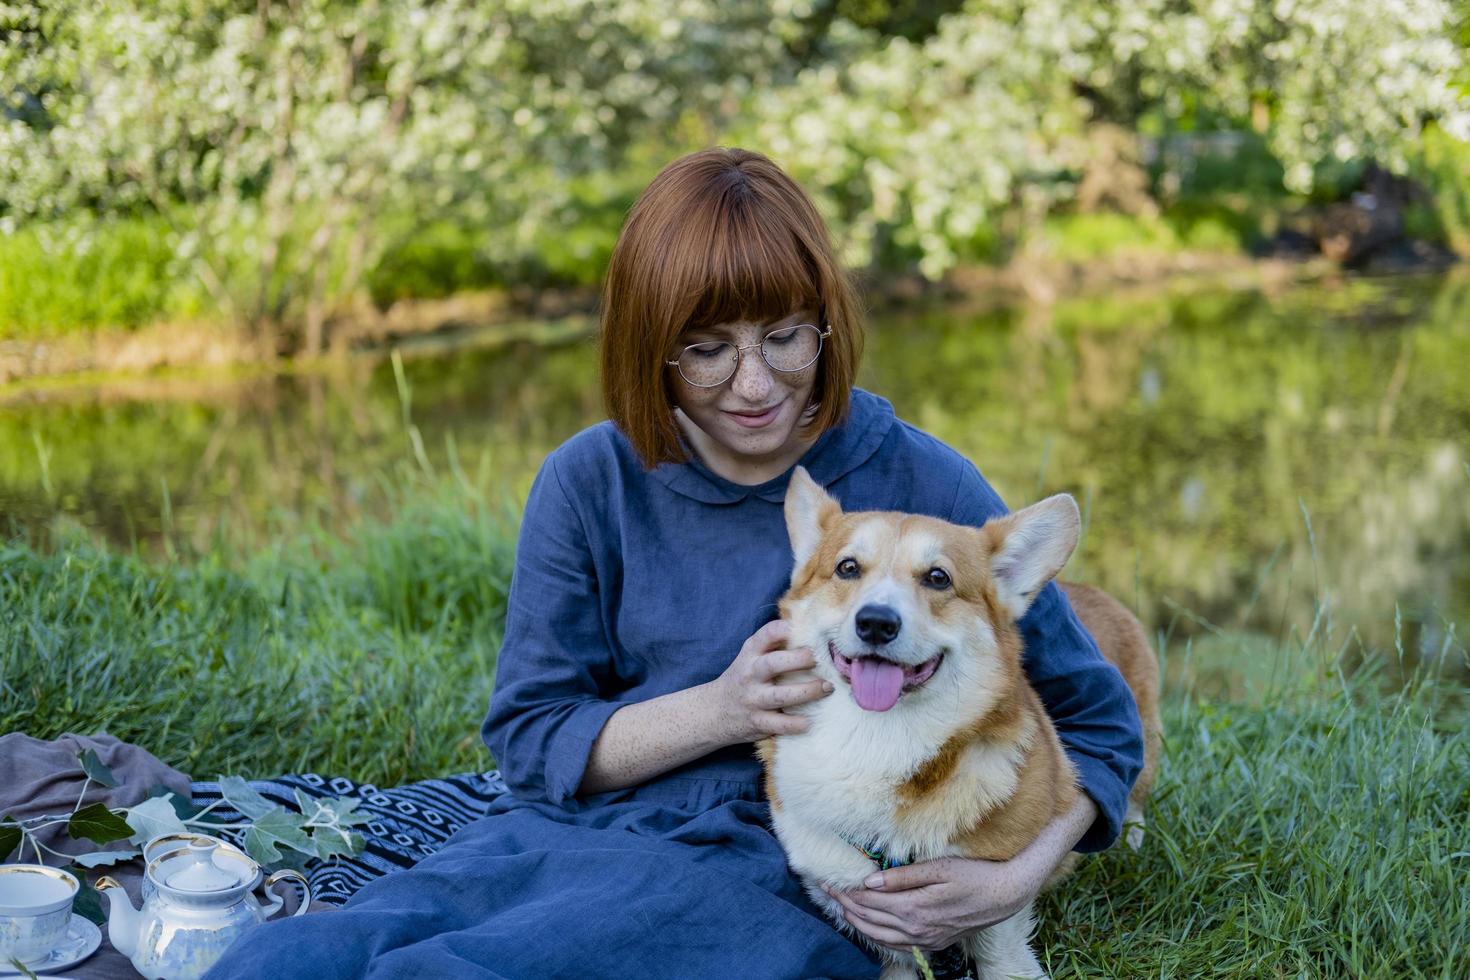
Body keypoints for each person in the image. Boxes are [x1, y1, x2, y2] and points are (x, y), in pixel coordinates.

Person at [204, 147, 1144, 980]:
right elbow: (533, 742)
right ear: (650, 350)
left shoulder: (919, 480)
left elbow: (1100, 721)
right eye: (706, 351)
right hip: (584, 826)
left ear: (826, 322)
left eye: (785, 337)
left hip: (785, 858)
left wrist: (1008, 879)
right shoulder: (589, 480)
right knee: (319, 950)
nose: (755, 383)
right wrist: (721, 708)